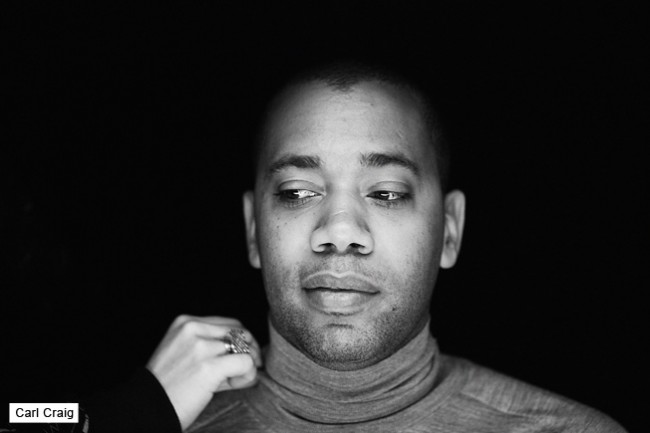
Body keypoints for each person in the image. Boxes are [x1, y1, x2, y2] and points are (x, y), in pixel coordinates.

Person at [4, 61, 627, 433]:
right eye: (298, 192)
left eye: (386, 193)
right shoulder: (149, 417)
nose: (340, 229)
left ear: (450, 230)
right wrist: (126, 416)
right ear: (254, 229)